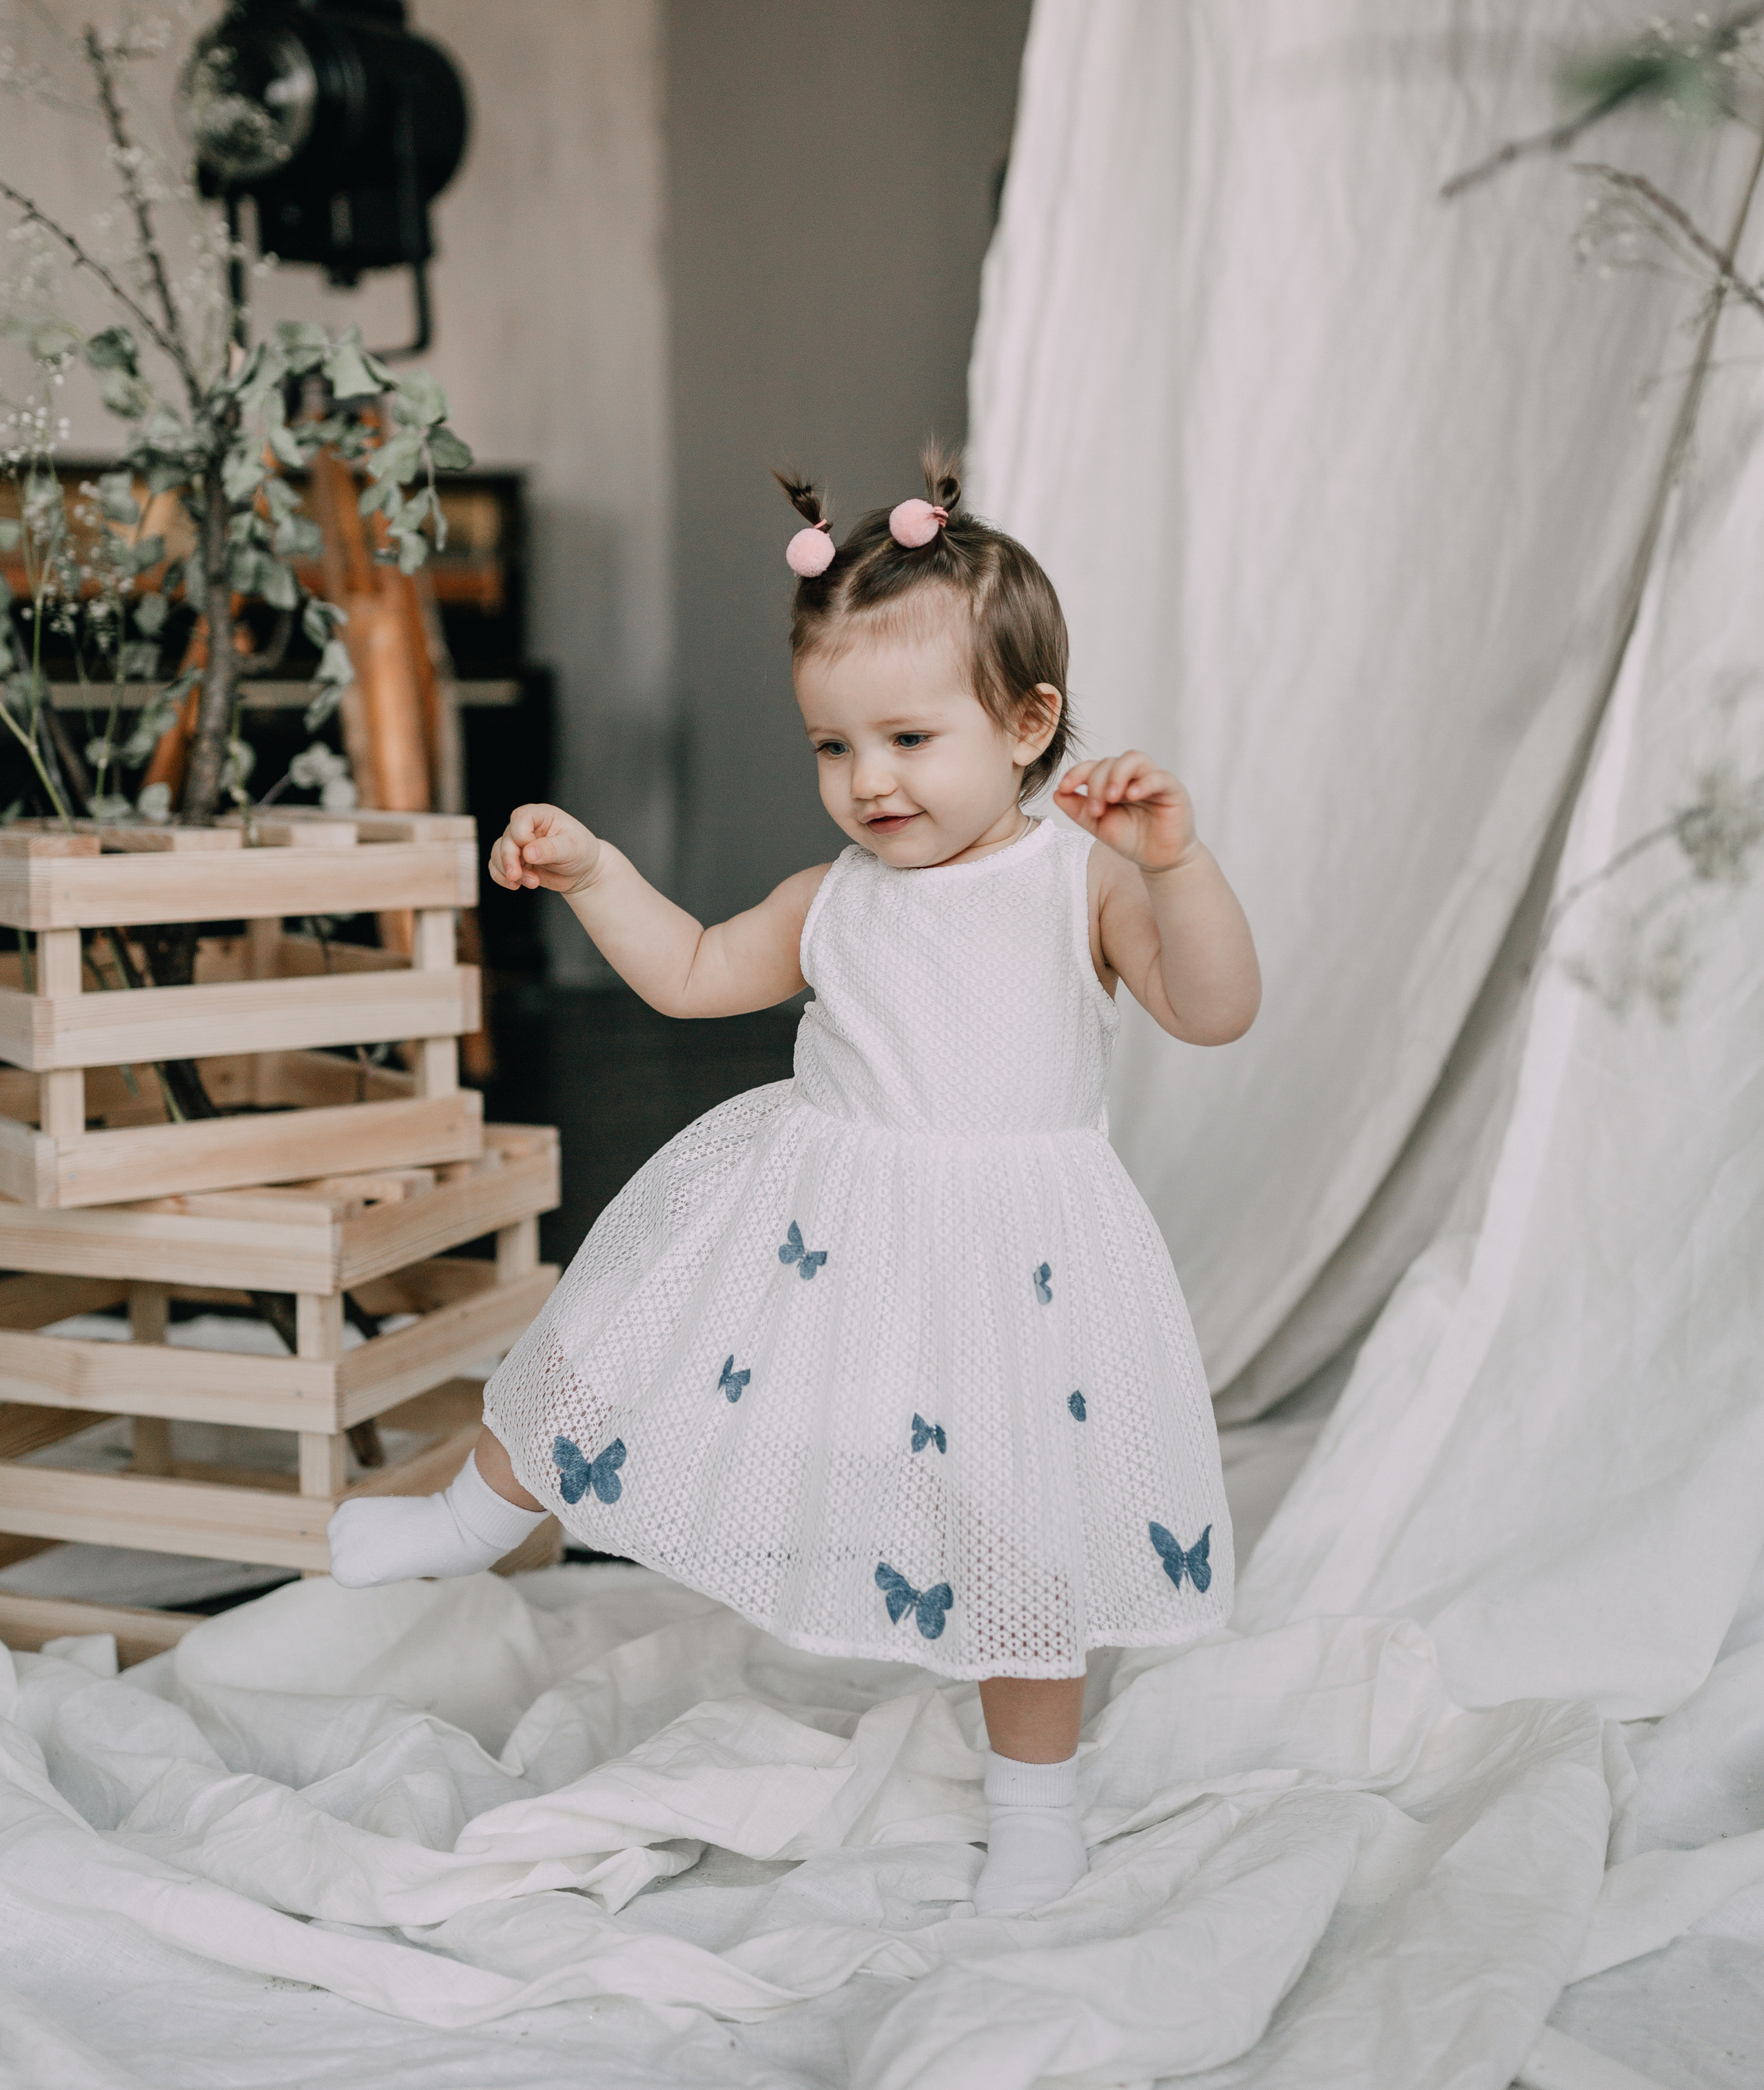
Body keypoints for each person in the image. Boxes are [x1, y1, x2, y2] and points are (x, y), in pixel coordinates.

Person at [327, 450, 1260, 1914]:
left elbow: (1212, 1010)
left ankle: (1033, 1812)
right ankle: (478, 1508)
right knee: (611, 1334)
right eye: (832, 748)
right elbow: (695, 973)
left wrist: (1179, 866)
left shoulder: (1074, 882)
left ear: (1025, 727)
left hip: (1006, 1254)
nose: (866, 781)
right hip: (814, 1217)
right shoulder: (831, 900)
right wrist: (594, 877)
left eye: (904, 737)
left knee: (1017, 1535)